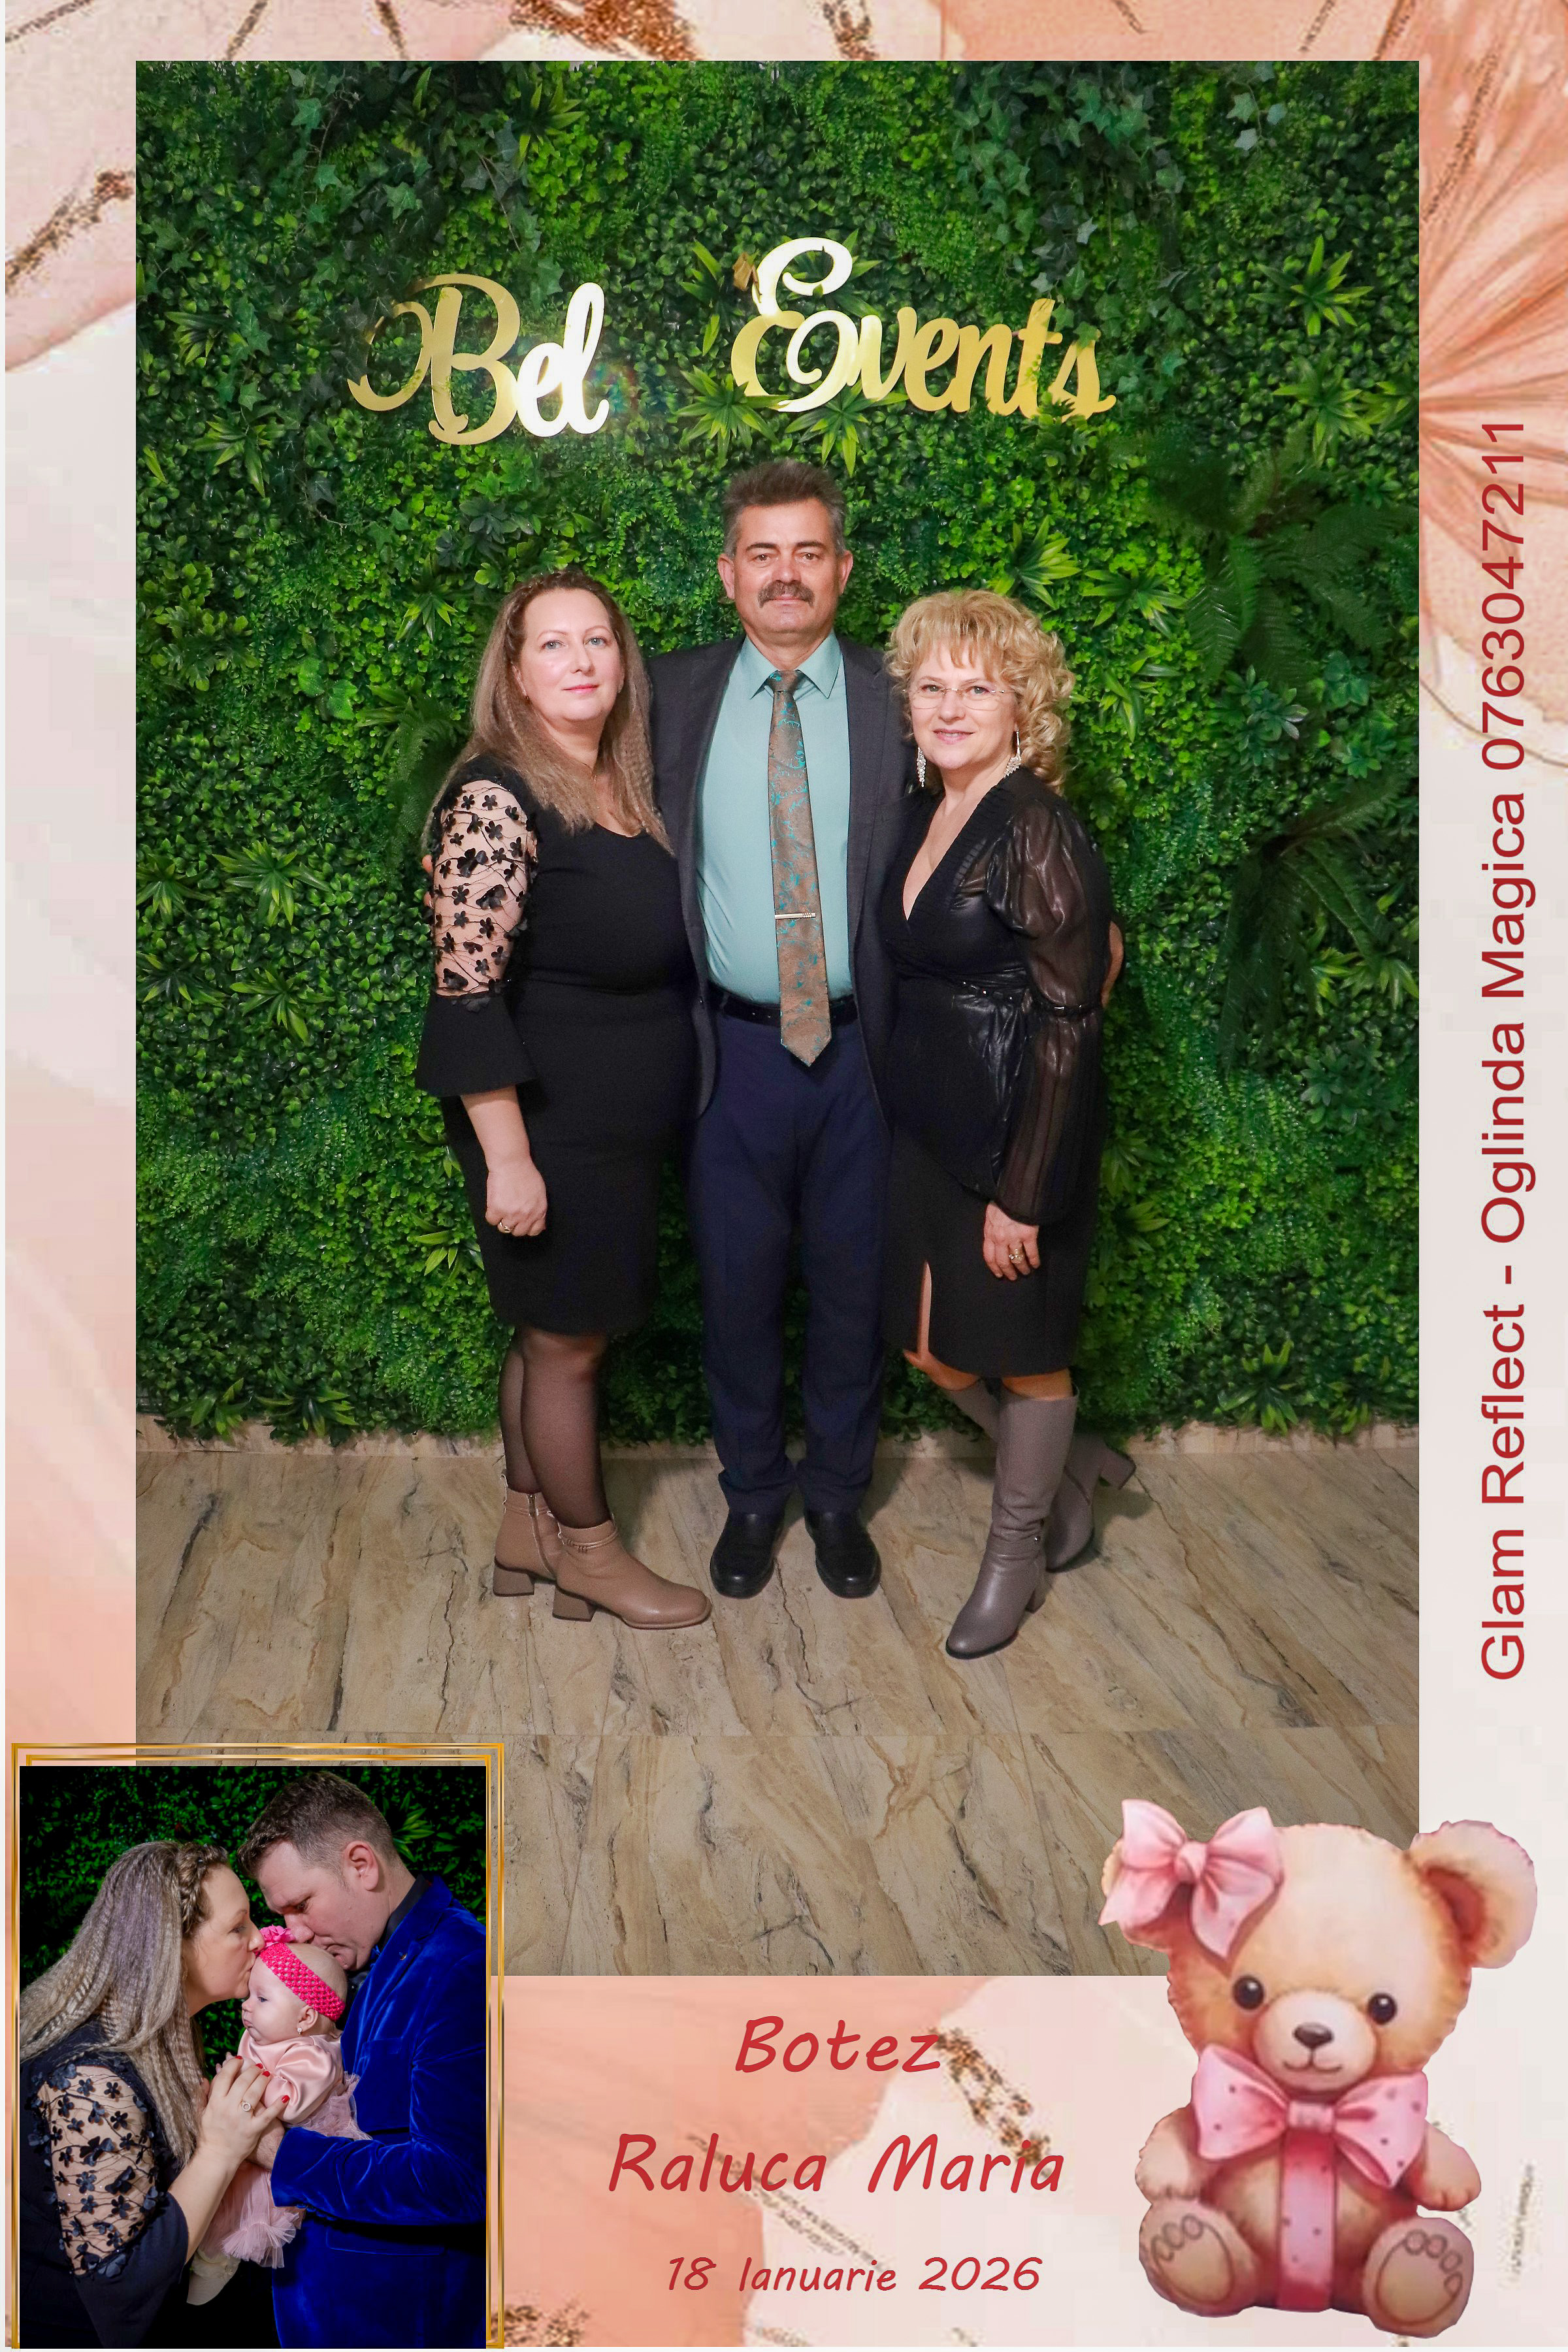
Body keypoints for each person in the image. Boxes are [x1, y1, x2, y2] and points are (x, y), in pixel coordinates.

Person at [416, 565, 709, 1631]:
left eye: (597, 640)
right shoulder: (499, 797)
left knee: (551, 1335)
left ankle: (521, 1529)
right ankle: (589, 1556)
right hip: (545, 1126)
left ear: (622, 662)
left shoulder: (619, 788)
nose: (580, 660)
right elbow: (465, 992)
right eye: (553, 643)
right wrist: (508, 1158)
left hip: (611, 1128)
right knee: (568, 1347)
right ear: (516, 673)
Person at [647, 459, 914, 1603]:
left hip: (866, 1055)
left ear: (842, 569)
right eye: (764, 553)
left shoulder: (903, 695)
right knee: (737, 1287)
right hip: (731, 1056)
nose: (786, 574)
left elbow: (996, 802)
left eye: (808, 552)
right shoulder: (667, 694)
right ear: (729, 574)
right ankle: (754, 1493)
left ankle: (839, 1497)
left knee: (855, 1290)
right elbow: (554, 768)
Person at [879, 589, 1127, 1659]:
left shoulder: (1036, 826)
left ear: (1023, 707)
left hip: (1016, 1139)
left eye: (977, 689)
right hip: (929, 1132)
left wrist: (1024, 1194)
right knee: (928, 1348)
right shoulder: (925, 810)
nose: (950, 707)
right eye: (932, 687)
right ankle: (1070, 1471)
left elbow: (1071, 1024)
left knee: (1025, 1359)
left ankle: (1015, 1553)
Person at [237, 1772, 486, 2349]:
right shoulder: (376, 1964)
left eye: (301, 1905)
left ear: (361, 1865)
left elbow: (458, 2181)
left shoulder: (462, 1966)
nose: (293, 1932)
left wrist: (279, 2151)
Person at [18, 1840, 275, 2347]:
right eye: (238, 1927)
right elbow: (120, 2294)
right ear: (173, 1948)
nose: (260, 1939)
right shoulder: (90, 2081)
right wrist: (220, 2152)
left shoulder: (159, 2042)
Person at [197, 1931, 361, 2281]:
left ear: (305, 2019)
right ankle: (206, 2254)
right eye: (250, 1995)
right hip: (247, 2142)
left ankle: (218, 2263)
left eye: (262, 1998)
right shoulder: (264, 2035)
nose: (246, 2005)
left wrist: (240, 2082)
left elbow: (289, 2105)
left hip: (281, 2159)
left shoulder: (313, 2055)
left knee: (244, 2210)